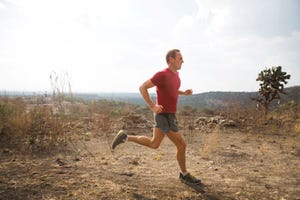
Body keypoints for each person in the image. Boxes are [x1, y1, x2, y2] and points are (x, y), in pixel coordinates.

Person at [111, 49, 201, 184]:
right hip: (164, 115)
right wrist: (152, 106)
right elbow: (143, 87)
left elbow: (172, 90)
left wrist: (184, 93)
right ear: (171, 59)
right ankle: (184, 174)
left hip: (169, 115)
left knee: (154, 144)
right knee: (182, 144)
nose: (183, 61)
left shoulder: (176, 76)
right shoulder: (162, 74)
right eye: (180, 58)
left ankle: (125, 137)